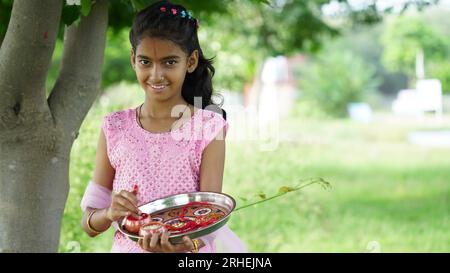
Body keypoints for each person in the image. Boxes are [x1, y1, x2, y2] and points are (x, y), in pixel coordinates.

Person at [80, 1, 246, 253]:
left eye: (169, 62)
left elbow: (211, 219)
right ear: (133, 59)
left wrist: (183, 248)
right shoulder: (115, 127)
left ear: (190, 62)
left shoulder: (209, 127)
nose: (156, 75)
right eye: (146, 62)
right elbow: (89, 224)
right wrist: (109, 212)